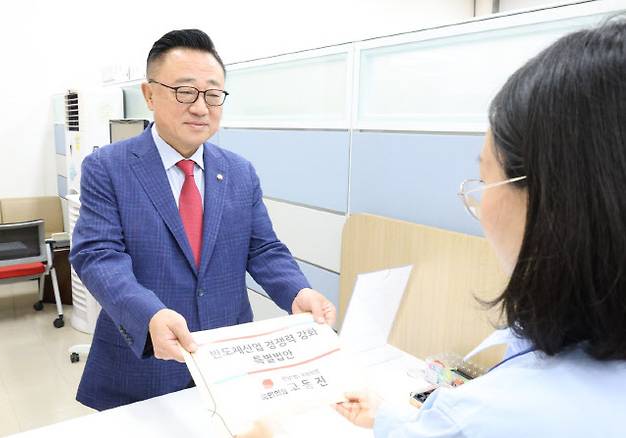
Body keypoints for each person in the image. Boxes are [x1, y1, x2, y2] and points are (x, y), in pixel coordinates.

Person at [334, 18, 626, 437]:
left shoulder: (488, 417)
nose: (482, 204)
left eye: (487, 180)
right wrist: (387, 416)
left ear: (561, 204)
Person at [69, 29, 336, 411]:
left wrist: (298, 291)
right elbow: (98, 255)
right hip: (144, 362)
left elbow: (262, 249)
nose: (200, 107)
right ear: (149, 94)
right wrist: (149, 314)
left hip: (228, 361)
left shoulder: (240, 172)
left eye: (213, 94)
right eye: (184, 91)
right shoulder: (107, 168)